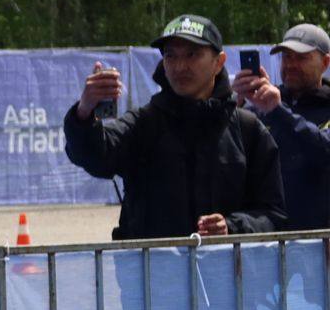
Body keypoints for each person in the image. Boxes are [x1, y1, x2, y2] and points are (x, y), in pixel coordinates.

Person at [66, 13, 285, 240]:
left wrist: (232, 228)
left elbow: (273, 215)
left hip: (228, 270)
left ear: (218, 62)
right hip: (151, 271)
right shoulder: (144, 123)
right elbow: (95, 157)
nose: (180, 66)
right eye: (171, 55)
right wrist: (84, 112)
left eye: (192, 54)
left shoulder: (248, 129)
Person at [234, 23, 330, 233]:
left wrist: (279, 111)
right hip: (267, 242)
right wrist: (235, 105)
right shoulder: (262, 107)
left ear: (325, 62)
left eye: (301, 58)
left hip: (320, 241)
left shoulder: (275, 108)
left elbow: (325, 150)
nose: (291, 65)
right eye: (286, 57)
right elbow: (225, 155)